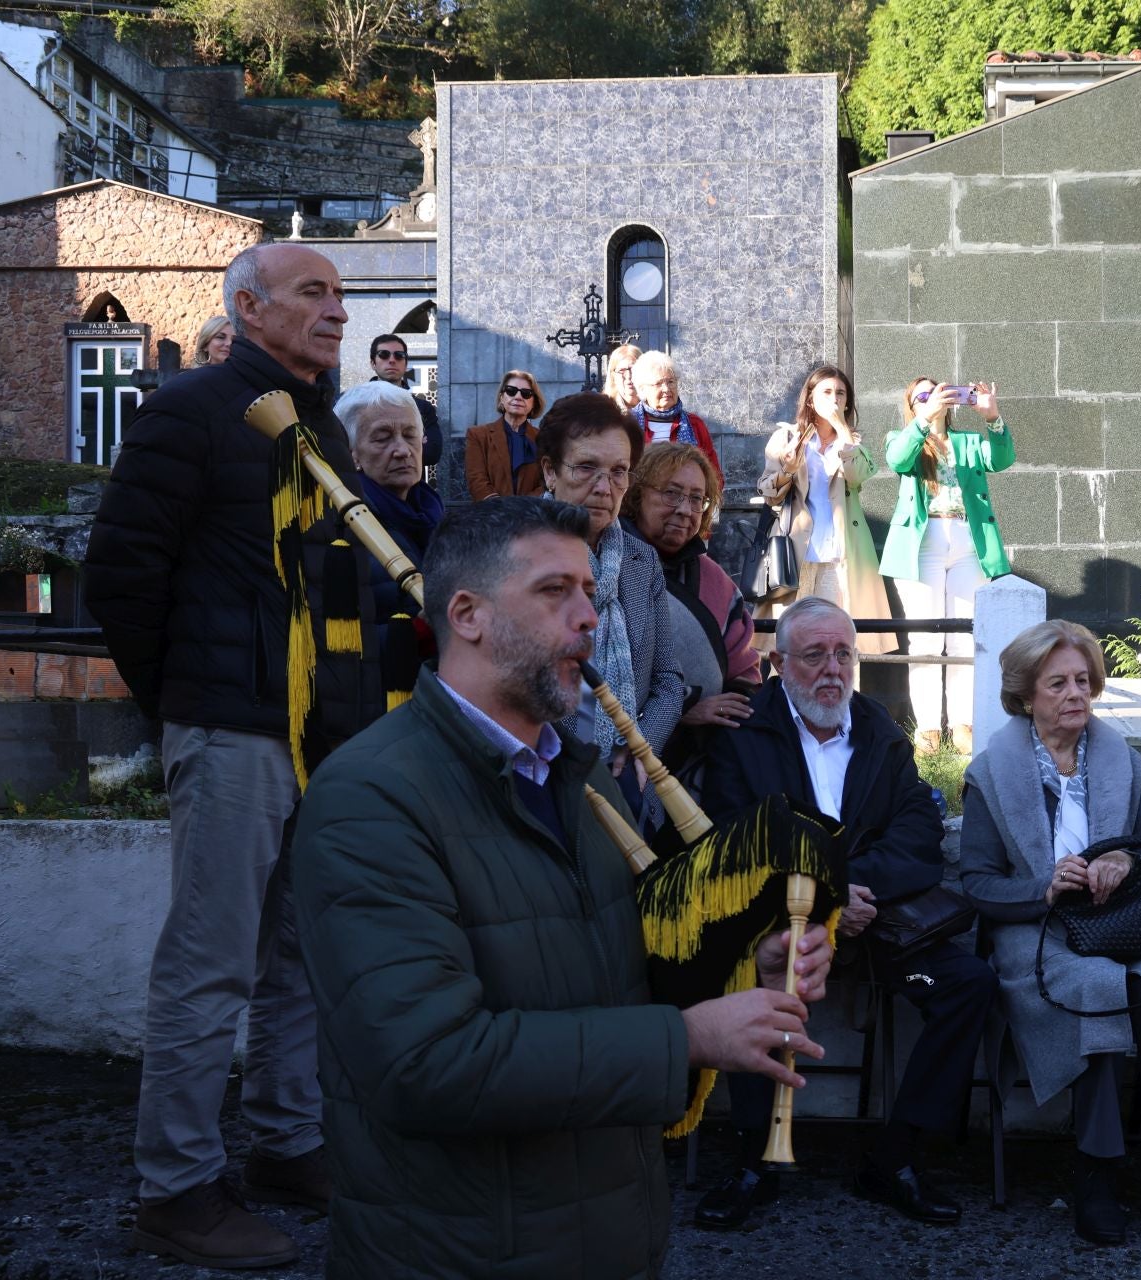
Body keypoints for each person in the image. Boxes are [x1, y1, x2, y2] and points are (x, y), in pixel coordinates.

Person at [289, 496, 835, 1279]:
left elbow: (607, 972)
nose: (591, 616)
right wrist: (690, 1039)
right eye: (556, 592)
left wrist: (745, 966)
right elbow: (425, 1066)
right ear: (468, 615)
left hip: (605, 1229)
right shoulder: (369, 798)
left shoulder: (581, 780)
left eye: (589, 590)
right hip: (462, 1249)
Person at [85, 242, 384, 1269]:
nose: (336, 309)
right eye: (314, 292)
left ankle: (285, 1143)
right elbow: (122, 575)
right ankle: (174, 1187)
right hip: (231, 725)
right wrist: (189, 702)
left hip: (314, 738)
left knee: (297, 951)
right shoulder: (193, 410)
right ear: (248, 307)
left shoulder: (324, 426)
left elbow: (340, 598)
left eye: (340, 293)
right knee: (212, 962)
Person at [702, 597, 996, 1230]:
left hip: (873, 919)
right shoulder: (745, 733)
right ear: (779, 663)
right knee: (742, 972)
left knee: (968, 984)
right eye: (814, 656)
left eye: (844, 653)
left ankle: (897, 1155)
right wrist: (822, 895)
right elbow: (730, 841)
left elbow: (918, 829)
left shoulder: (879, 728)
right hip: (779, 920)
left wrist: (854, 888)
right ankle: (755, 1160)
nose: (833, 669)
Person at [959, 619, 1141, 1248]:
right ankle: (1097, 1171)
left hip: (1122, 922)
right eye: (1058, 684)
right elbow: (977, 883)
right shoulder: (992, 773)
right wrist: (1044, 885)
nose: (1076, 694)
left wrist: (1124, 861)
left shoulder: (1119, 760)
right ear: (1025, 695)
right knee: (1095, 988)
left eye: (1083, 680)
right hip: (1037, 930)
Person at [536, 393, 684, 816]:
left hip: (629, 776)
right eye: (586, 468)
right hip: (545, 770)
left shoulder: (642, 561)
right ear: (550, 471)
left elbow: (668, 680)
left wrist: (640, 747)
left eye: (619, 472)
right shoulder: (516, 553)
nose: (604, 488)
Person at [880, 377, 1014, 753]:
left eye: (937, 391)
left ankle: (962, 724)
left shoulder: (967, 441)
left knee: (962, 636)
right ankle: (927, 729)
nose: (932, 397)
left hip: (969, 544)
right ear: (913, 404)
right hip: (923, 545)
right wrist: (923, 419)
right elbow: (897, 460)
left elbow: (1001, 459)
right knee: (925, 636)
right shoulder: (902, 437)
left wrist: (993, 417)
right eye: (922, 395)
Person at [618, 441, 759, 776]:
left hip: (706, 761)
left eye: (697, 498)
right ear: (637, 494)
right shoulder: (609, 566)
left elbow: (745, 671)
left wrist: (728, 710)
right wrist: (682, 709)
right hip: (624, 758)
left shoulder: (716, 580)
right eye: (671, 493)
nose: (685, 509)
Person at [756, 365, 896, 659]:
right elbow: (769, 493)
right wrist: (788, 470)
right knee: (788, 644)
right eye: (827, 392)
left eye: (841, 393)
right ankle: (785, 703)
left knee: (841, 643)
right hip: (796, 555)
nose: (834, 398)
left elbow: (857, 476)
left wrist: (843, 431)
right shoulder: (787, 438)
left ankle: (841, 703)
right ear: (810, 399)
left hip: (840, 556)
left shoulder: (853, 443)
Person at [336, 379, 444, 621]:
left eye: (410, 435)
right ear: (352, 454)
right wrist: (414, 634)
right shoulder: (340, 529)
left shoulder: (437, 516)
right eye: (382, 438)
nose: (403, 450)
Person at [631, 349, 722, 480]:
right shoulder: (630, 424)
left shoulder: (694, 424)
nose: (666, 389)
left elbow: (714, 474)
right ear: (642, 389)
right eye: (658, 383)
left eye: (671, 382)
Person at [463, 369, 547, 500]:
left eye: (526, 393)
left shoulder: (543, 439)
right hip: (492, 515)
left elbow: (547, 481)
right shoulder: (478, 435)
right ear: (502, 397)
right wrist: (503, 511)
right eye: (511, 391)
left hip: (531, 514)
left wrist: (523, 507)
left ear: (534, 402)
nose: (518, 397)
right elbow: (476, 480)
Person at [367, 332, 442, 469]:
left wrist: (377, 444)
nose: (392, 360)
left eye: (399, 355)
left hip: (411, 488)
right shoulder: (356, 404)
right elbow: (348, 451)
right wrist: (415, 442)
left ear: (406, 364)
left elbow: (432, 453)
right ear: (373, 363)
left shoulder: (423, 408)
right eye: (384, 354)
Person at [603, 341, 643, 411]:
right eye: (622, 370)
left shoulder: (658, 408)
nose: (629, 376)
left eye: (634, 369)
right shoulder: (604, 412)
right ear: (613, 376)